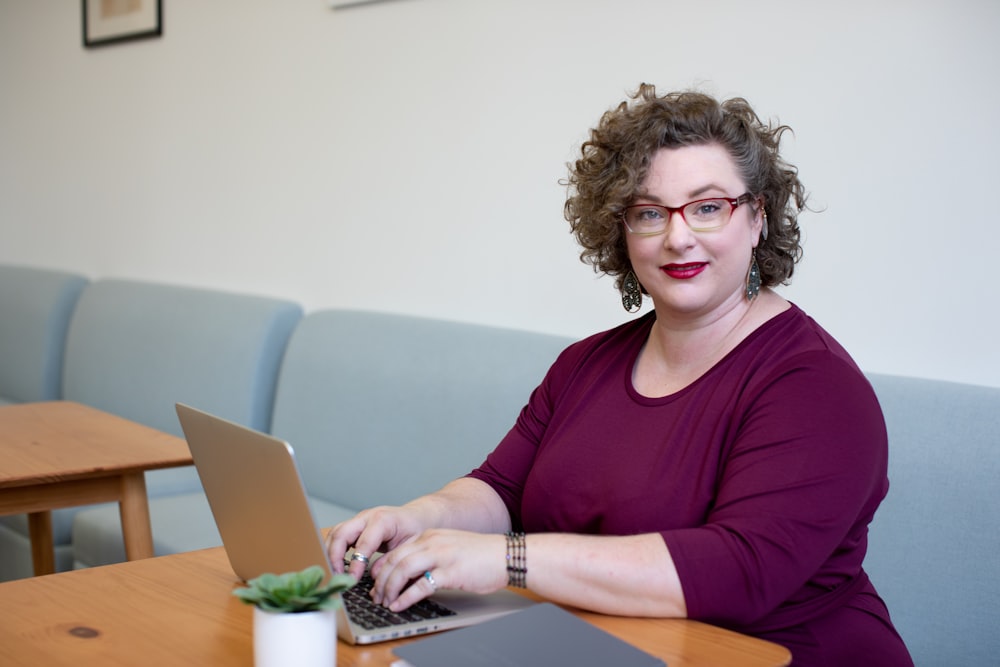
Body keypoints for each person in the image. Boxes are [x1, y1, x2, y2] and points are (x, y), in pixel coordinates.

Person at [326, 84, 914, 666]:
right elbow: (500, 490)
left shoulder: (814, 387)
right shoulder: (585, 363)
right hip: (608, 648)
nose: (677, 236)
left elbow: (739, 572)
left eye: (708, 207)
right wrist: (415, 520)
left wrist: (504, 560)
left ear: (757, 217)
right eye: (649, 212)